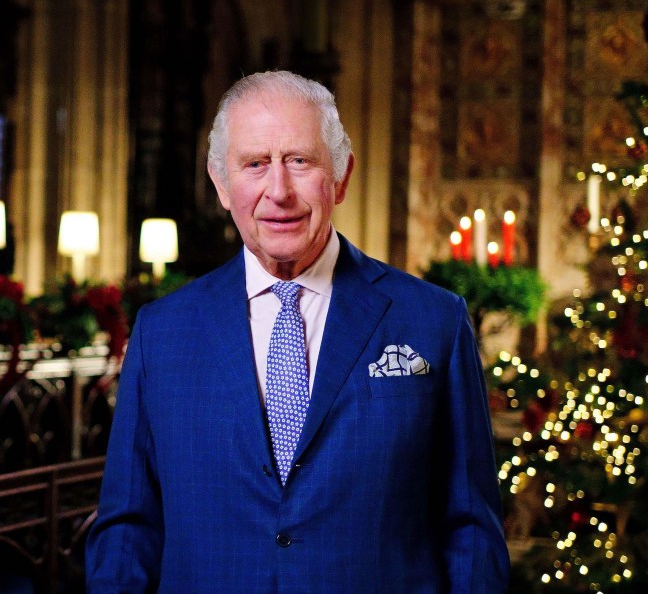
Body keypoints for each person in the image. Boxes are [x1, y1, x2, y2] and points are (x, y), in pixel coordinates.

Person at [86, 70, 509, 592]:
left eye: (300, 161)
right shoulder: (162, 332)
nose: (278, 191)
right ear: (220, 183)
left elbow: (471, 529)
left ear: (342, 176)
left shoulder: (433, 321)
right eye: (255, 164)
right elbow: (128, 530)